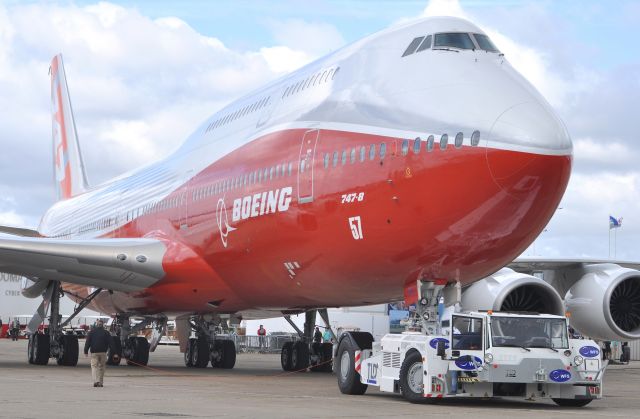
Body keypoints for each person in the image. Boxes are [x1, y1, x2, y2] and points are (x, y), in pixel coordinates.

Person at [84, 319, 114, 387]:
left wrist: (86, 351)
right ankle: (100, 382)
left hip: (94, 352)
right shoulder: (106, 333)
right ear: (102, 325)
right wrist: (114, 352)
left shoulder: (91, 332)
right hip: (103, 352)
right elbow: (111, 343)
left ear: (96, 325)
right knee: (102, 367)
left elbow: (88, 342)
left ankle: (96, 381)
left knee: (94, 366)